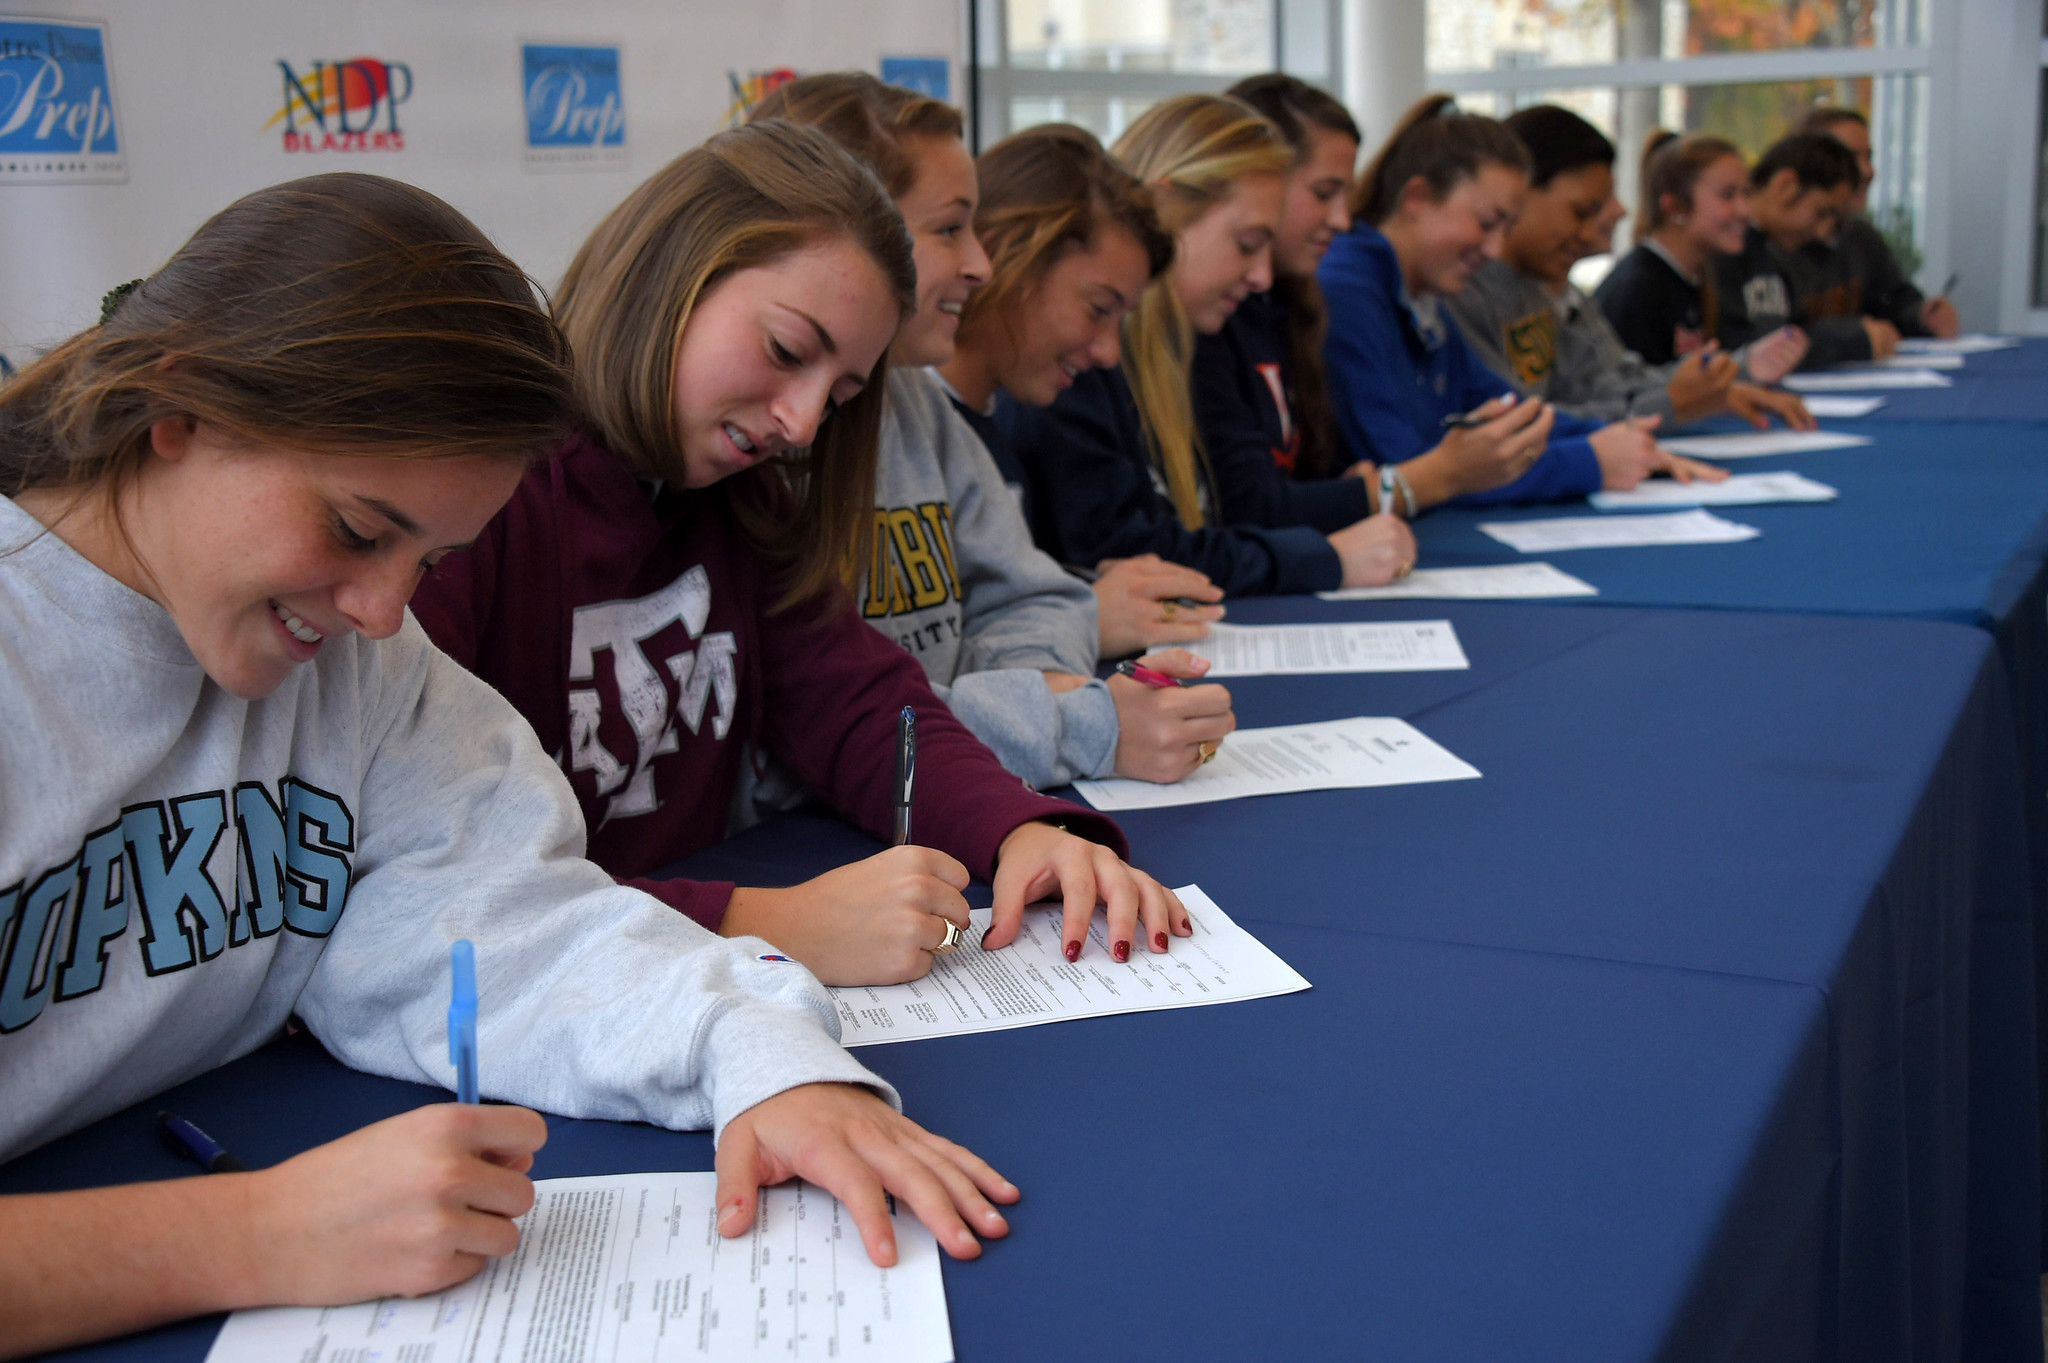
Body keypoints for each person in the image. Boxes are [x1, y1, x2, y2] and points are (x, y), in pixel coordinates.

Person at [0, 172, 1018, 1358]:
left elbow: (517, 916)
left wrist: (761, 1061)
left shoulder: (362, 668)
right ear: (177, 413)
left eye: (428, 562)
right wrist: (250, 1230)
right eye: (357, 529)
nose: (383, 612)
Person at [410, 122, 1189, 985]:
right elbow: (433, 884)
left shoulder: (737, 499)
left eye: (842, 391)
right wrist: (765, 921)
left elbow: (862, 705)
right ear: (674, 273)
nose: (804, 422)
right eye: (786, 351)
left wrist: (1020, 830)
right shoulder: (474, 507)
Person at [747, 73, 1234, 789]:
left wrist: (1035, 696)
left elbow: (1038, 599)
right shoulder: (753, 440)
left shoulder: (909, 401)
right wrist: (1068, 723)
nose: (978, 264)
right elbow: (812, 733)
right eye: (949, 229)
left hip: (934, 802)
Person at [1007, 94, 1416, 597]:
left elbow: (1206, 526)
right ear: (1165, 211)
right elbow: (1127, 553)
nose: (1263, 277)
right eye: (1246, 244)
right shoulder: (1072, 364)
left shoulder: (1185, 347)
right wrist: (1322, 557)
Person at [1318, 94, 1717, 511]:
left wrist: (1614, 439)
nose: (1494, 249)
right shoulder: (1348, 292)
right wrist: (1589, 460)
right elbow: (1411, 468)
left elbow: (1515, 413)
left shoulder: (1421, 294)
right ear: (1416, 199)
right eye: (1486, 223)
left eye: (1506, 228)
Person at [938, 122, 1227, 656]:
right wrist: (1082, 616)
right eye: (1097, 310)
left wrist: (1077, 586)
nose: (1108, 353)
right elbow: (904, 673)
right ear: (1004, 258)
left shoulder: (990, 421)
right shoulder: (913, 429)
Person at [1446, 104, 1810, 431]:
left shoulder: (1541, 285)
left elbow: (1608, 380)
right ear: (1520, 197)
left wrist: (1723, 378)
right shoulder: (1466, 295)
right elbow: (1516, 428)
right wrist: (1673, 403)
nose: (1594, 229)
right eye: (1582, 211)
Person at [1186, 74, 1377, 534]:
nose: (1342, 220)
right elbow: (1249, 507)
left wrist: (1345, 491)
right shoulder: (1209, 322)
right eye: (1324, 193)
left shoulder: (1289, 305)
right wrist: (1413, 486)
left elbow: (1303, 474)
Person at [1596, 131, 1803, 376]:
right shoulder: (1637, 291)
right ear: (1676, 207)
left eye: (1746, 194)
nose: (1744, 210)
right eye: (1727, 195)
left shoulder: (1696, 280)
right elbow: (1632, 393)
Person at [1707, 129, 1882, 367]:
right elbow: (1758, 346)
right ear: (1785, 185)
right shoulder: (1724, 251)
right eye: (1822, 213)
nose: (1822, 233)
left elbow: (1795, 331)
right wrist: (1859, 340)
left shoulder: (1774, 252)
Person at [1791, 105, 1960, 341]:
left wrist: (1924, 316)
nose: (1867, 171)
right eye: (1850, 158)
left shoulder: (1861, 237)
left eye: (1868, 157)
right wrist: (1861, 339)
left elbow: (1897, 302)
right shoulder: (1780, 244)